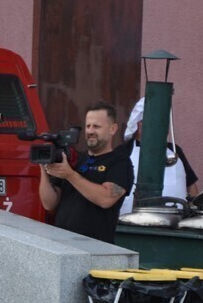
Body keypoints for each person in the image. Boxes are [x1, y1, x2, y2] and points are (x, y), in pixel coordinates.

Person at [38, 100, 134, 244]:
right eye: (88, 126)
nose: (90, 131)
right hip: (62, 245)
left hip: (95, 248)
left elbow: (106, 199)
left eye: (96, 126)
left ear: (113, 129)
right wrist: (43, 167)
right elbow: (49, 204)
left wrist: (70, 175)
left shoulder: (120, 162)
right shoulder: (75, 159)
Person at [118, 97, 200, 214]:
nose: (163, 126)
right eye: (157, 121)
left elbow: (191, 185)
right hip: (132, 222)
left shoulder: (175, 151)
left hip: (176, 223)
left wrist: (194, 211)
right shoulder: (123, 153)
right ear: (139, 125)